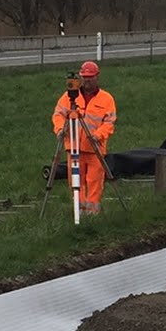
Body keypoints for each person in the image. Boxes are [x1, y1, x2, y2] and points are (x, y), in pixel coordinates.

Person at [52, 60, 118, 216]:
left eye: (90, 77)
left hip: (95, 148)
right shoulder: (69, 97)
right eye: (84, 77)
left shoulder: (106, 99)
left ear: (97, 77)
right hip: (74, 147)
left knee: (95, 181)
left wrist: (98, 135)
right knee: (75, 182)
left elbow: (109, 122)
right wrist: (60, 129)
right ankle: (79, 210)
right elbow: (58, 115)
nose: (87, 80)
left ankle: (92, 212)